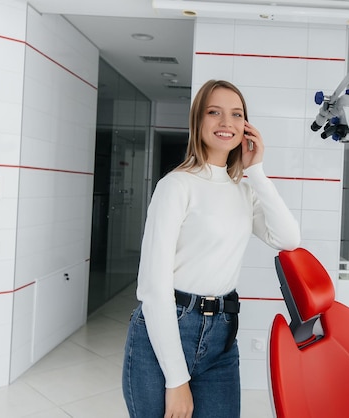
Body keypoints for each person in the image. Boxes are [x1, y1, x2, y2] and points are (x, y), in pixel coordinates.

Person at [122, 79, 301, 418]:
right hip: (168, 328)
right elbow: (153, 288)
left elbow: (288, 238)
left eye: (236, 114)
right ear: (198, 121)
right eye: (214, 112)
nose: (225, 123)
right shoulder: (176, 186)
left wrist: (257, 171)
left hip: (221, 331)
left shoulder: (243, 191)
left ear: (246, 126)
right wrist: (176, 380)